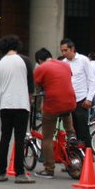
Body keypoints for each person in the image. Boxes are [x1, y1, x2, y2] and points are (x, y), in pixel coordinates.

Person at [0, 35, 35, 184]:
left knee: (4, 138)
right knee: (19, 139)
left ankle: (0, 171)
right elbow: (30, 85)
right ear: (17, 45)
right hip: (21, 104)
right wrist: (30, 100)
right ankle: (19, 173)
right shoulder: (25, 60)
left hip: (5, 104)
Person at [33, 48, 76, 178]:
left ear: (39, 60)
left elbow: (39, 88)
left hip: (53, 105)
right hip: (70, 102)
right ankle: (71, 136)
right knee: (68, 123)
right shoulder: (65, 64)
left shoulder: (41, 68)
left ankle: (49, 168)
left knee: (47, 137)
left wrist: (38, 105)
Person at [60, 39, 94, 149]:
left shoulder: (83, 60)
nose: (64, 53)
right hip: (68, 101)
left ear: (72, 49)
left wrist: (89, 98)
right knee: (71, 131)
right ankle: (73, 158)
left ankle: (88, 155)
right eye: (62, 51)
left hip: (81, 100)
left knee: (82, 129)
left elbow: (91, 80)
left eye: (66, 50)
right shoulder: (63, 63)